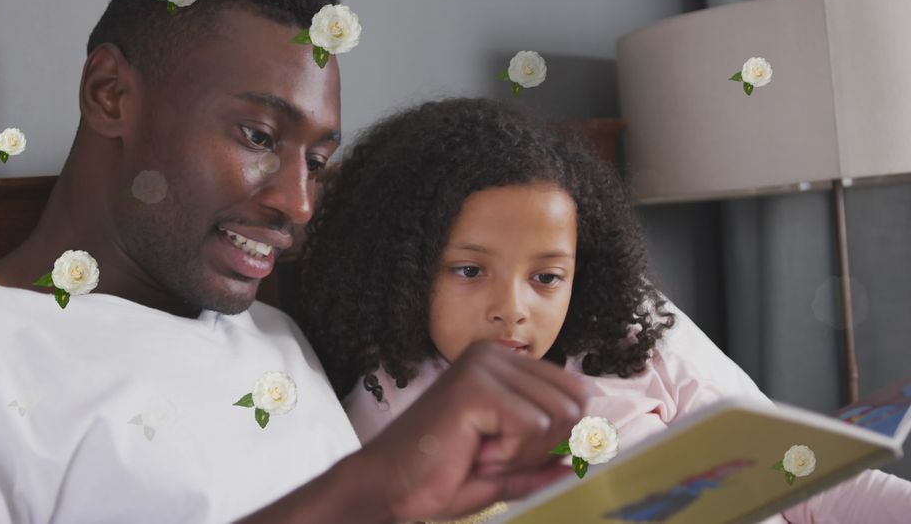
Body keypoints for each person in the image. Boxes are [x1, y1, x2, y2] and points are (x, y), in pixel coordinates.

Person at [0, 0, 585, 523]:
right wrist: (363, 493)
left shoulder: (273, 333)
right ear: (110, 94)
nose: (297, 203)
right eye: (259, 135)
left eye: (317, 163)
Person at [298, 97, 911, 523]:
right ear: (399, 269)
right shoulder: (387, 421)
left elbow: (799, 481)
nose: (512, 311)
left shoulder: (630, 336)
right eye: (468, 271)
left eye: (546, 277)